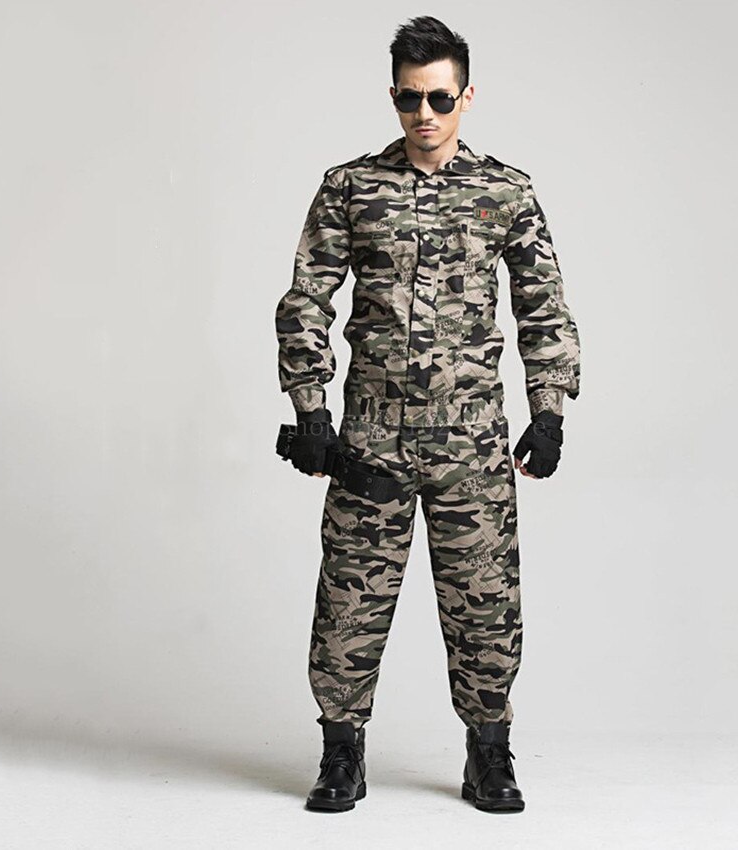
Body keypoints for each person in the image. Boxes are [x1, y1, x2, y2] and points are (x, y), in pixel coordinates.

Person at [274, 15, 581, 814]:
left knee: (486, 602)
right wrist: (311, 409)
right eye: (411, 98)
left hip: (471, 438)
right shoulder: (350, 188)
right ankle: (341, 753)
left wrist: (548, 410)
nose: (425, 114)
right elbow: (306, 299)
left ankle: (489, 752)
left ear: (467, 96)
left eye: (440, 98)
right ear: (393, 96)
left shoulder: (506, 192)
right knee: (349, 602)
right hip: (371, 438)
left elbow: (543, 307)